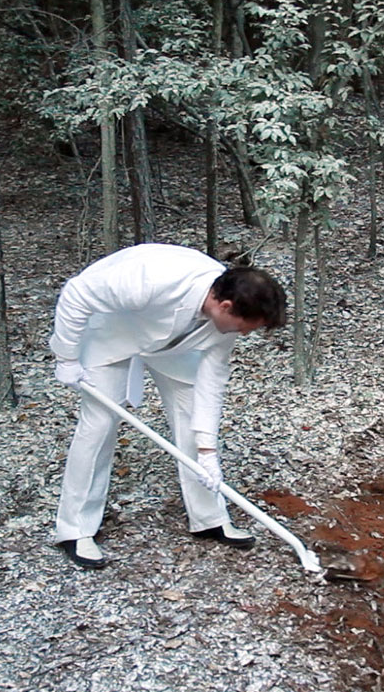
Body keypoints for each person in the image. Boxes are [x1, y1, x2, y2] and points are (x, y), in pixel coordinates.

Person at [48, 243, 287, 570]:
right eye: (246, 327)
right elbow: (77, 293)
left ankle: (209, 517)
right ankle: (75, 530)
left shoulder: (227, 316)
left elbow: (210, 382)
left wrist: (208, 451)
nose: (245, 334)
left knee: (191, 416)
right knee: (99, 425)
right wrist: (66, 355)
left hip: (175, 344)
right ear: (226, 306)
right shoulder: (150, 278)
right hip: (113, 332)